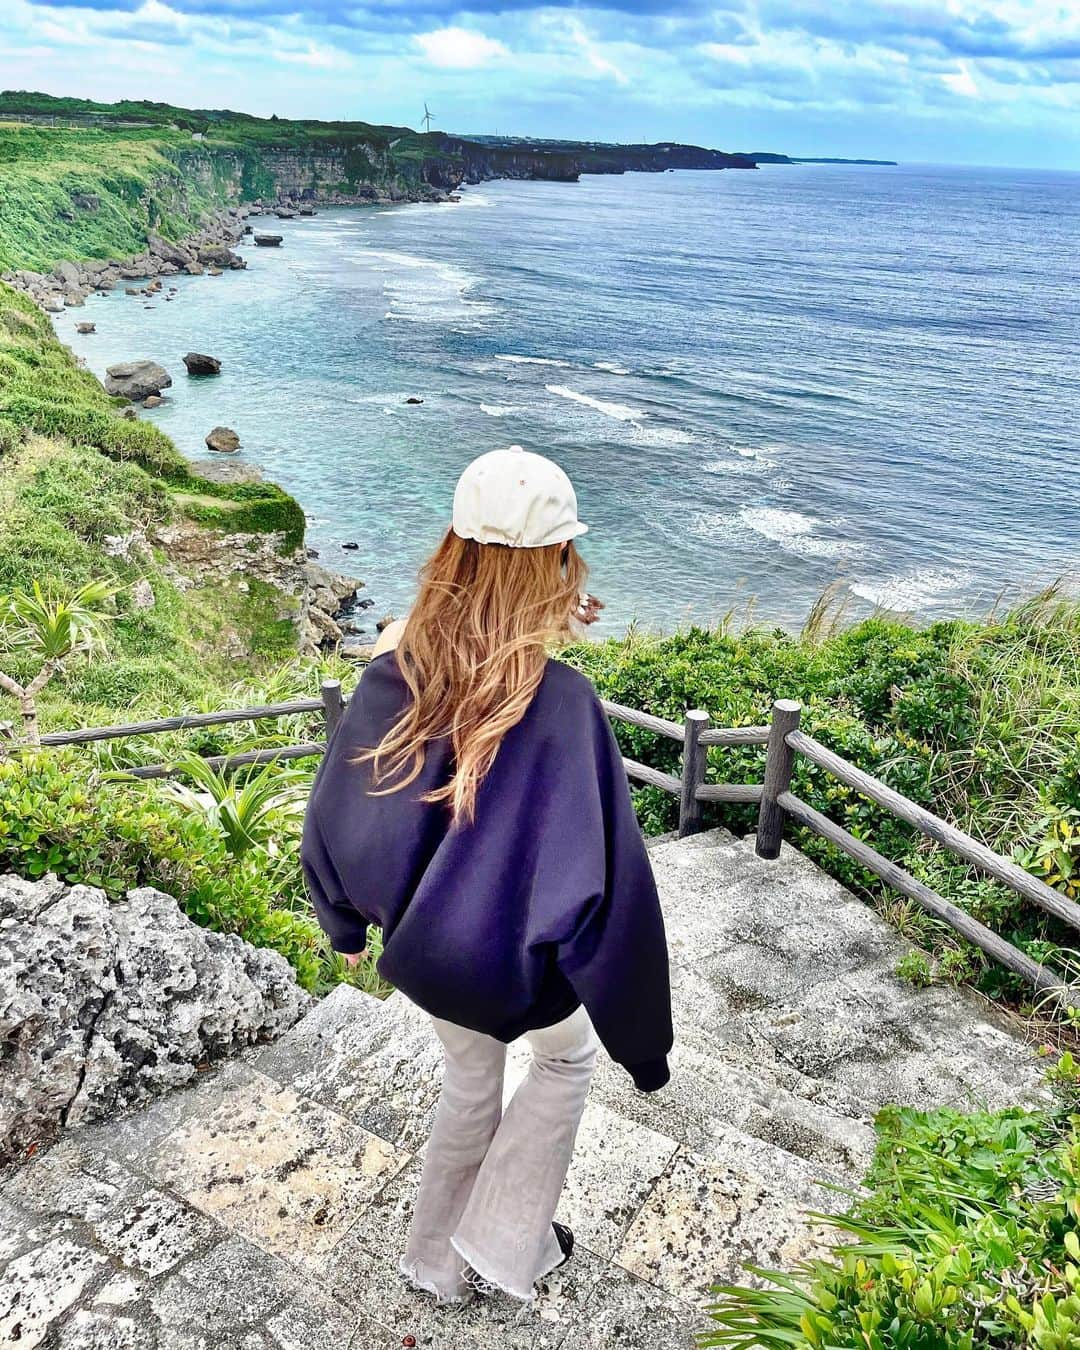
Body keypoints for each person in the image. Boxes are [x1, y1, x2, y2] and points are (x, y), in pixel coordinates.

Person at [301, 445, 673, 1305]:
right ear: (556, 565)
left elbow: (336, 808)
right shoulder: (564, 703)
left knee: (470, 1084)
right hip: (513, 965)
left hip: (427, 957)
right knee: (568, 1058)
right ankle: (506, 1241)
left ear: (452, 551)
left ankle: (435, 1263)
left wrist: (344, 925)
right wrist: (645, 1050)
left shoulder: (395, 661)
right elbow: (605, 897)